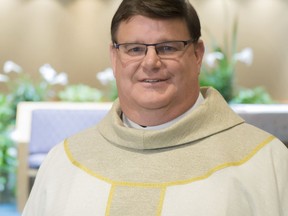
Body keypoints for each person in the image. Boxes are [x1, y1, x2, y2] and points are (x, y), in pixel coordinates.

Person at [23, 0, 288, 215]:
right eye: (135, 49)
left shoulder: (265, 162)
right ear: (114, 58)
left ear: (197, 55)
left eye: (167, 47)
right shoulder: (65, 161)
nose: (151, 62)